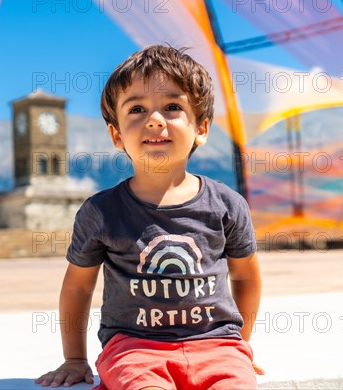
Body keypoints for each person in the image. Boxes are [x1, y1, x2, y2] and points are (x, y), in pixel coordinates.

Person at [36, 45, 263, 389]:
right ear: (116, 135)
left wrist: (239, 344)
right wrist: (75, 359)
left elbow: (245, 277)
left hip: (218, 345)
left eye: (173, 107)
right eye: (137, 109)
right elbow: (78, 285)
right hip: (132, 348)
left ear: (201, 128)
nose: (155, 120)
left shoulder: (228, 205)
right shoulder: (100, 212)